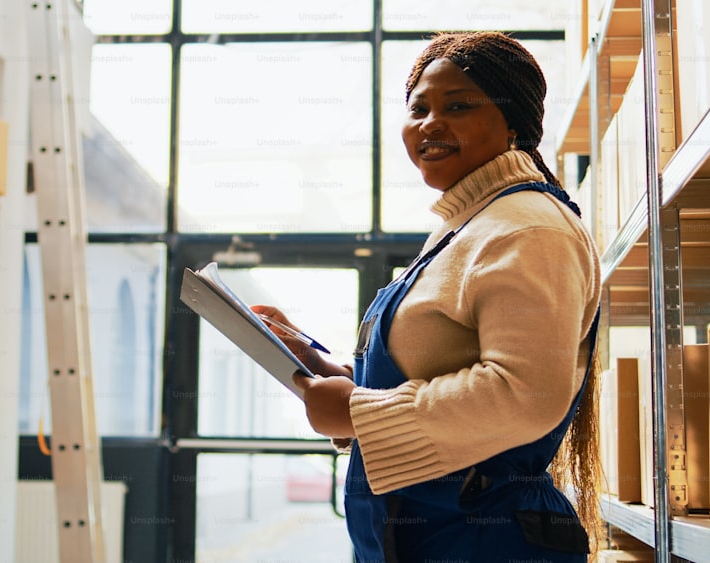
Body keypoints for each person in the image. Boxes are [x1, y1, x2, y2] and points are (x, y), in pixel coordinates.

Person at [252, 31, 603, 562]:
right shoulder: (468, 226)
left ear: (515, 125)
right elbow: (432, 373)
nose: (430, 123)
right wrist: (320, 363)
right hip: (430, 535)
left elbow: (526, 393)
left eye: (458, 106)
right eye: (418, 108)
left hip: (487, 541)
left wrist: (359, 416)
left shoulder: (527, 229)